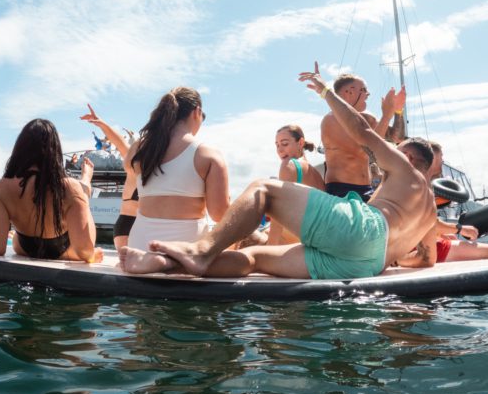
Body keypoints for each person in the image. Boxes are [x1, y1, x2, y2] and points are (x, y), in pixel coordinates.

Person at [119, 63, 438, 279]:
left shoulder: (403, 169)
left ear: (409, 158)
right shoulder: (431, 211)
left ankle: (199, 253)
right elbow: (426, 260)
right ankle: (166, 264)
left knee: (263, 189)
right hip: (368, 263)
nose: (391, 151)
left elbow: (364, 135)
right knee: (255, 258)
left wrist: (326, 92)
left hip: (364, 229)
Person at [123, 86, 230, 251]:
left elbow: (131, 169)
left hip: (139, 246)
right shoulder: (208, 154)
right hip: (185, 252)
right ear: (197, 112)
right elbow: (219, 215)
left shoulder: (139, 149)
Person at [0, 119, 102, 262]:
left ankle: (84, 187)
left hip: (23, 248)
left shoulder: (2, 188)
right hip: (65, 251)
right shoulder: (68, 187)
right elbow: (84, 251)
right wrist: (92, 255)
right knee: (81, 194)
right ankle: (86, 184)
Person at [398, 138, 488, 264]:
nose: (442, 160)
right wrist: (460, 229)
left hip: (413, 243)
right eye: (441, 156)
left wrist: (443, 232)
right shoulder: (420, 184)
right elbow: (429, 223)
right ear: (433, 157)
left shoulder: (416, 181)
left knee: (452, 239)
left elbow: (423, 220)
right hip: (416, 249)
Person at [321, 74, 405, 202]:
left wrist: (398, 111)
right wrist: (386, 116)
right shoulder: (331, 120)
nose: (368, 94)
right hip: (341, 191)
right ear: (348, 92)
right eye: (364, 90)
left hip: (366, 188)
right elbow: (365, 150)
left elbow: (396, 137)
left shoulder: (367, 118)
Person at [80, 104, 139, 250]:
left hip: (126, 226)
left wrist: (101, 122)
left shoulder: (137, 166)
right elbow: (119, 141)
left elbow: (120, 142)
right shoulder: (137, 166)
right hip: (132, 226)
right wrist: (101, 123)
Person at [268, 124, 326, 245]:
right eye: (277, 145)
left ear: (300, 143)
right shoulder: (315, 173)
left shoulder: (289, 165)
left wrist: (270, 249)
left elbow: (279, 212)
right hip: (320, 237)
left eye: (284, 144)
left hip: (301, 238)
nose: (279, 150)